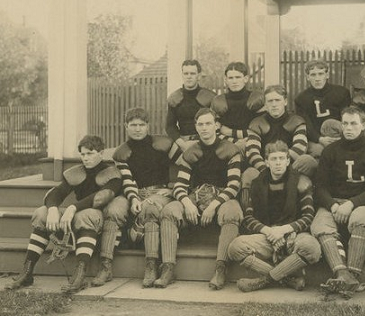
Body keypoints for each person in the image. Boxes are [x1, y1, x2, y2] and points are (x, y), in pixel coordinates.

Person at [5, 135, 122, 293]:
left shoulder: (112, 173)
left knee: (86, 215)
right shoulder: (77, 172)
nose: (85, 158)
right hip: (75, 216)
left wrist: (72, 208)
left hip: (96, 221)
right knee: (42, 213)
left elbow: (102, 198)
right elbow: (55, 193)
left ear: (101, 153)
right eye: (82, 154)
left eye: (90, 153)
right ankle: (27, 272)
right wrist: (53, 209)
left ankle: (79, 275)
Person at [92, 108, 178, 289]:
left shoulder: (163, 144)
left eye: (141, 125)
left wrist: (173, 188)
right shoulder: (122, 152)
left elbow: (185, 166)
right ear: (126, 127)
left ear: (148, 126)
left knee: (150, 208)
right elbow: (128, 179)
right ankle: (105, 265)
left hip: (160, 192)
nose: (137, 129)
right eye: (133, 125)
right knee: (114, 209)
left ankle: (151, 265)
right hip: (135, 192)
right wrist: (133, 198)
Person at [310, 106, 365, 295]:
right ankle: (343, 274)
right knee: (320, 225)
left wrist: (351, 204)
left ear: (363, 125)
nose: (349, 128)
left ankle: (353, 273)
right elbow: (320, 187)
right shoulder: (330, 150)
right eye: (345, 123)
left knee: (361, 218)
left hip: (364, 203)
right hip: (335, 202)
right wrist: (333, 205)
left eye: (354, 123)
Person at [228, 140, 321, 292]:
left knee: (312, 248)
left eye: (281, 158)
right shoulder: (257, 183)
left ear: (288, 160)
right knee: (235, 248)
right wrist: (270, 231)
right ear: (266, 161)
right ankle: (287, 279)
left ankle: (265, 280)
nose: (278, 163)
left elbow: (308, 216)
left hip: (294, 235)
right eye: (273, 159)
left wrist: (284, 230)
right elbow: (249, 218)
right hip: (268, 236)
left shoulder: (301, 182)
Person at [170, 107, 243, 290]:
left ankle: (221, 268)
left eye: (208, 123)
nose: (204, 128)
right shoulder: (191, 152)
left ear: (216, 126)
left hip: (224, 197)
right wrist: (187, 203)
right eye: (200, 124)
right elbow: (179, 185)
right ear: (195, 127)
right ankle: (167, 267)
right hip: (197, 195)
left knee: (232, 212)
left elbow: (234, 185)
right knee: (169, 211)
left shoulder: (230, 149)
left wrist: (213, 206)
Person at [242, 85, 317, 208]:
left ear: (285, 101)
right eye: (270, 101)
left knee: (307, 161)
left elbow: (300, 147)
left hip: (290, 166)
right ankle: (249, 214)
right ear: (265, 104)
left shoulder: (296, 120)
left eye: (278, 100)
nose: (274, 104)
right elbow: (252, 152)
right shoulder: (257, 123)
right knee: (248, 174)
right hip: (265, 168)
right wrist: (267, 169)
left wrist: (282, 167)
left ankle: (305, 210)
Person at [294, 60, 351, 157]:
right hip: (317, 139)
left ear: (327, 75)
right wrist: (319, 139)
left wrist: (342, 137)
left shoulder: (341, 92)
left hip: (340, 135)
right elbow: (306, 124)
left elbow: (347, 117)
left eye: (320, 74)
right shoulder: (301, 99)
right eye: (313, 75)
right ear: (308, 77)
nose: (317, 78)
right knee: (318, 153)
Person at [165, 59, 216, 161]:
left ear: (198, 75)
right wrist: (182, 144)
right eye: (186, 73)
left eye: (192, 73)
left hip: (205, 140)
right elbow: (170, 126)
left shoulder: (209, 96)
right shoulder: (174, 98)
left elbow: (217, 123)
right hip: (182, 141)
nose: (189, 76)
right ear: (182, 75)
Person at [211, 62, 264, 153]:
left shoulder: (256, 98)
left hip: (252, 140)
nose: (234, 81)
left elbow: (263, 128)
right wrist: (234, 141)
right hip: (226, 142)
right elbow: (214, 128)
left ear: (246, 78)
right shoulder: (218, 101)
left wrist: (231, 132)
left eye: (238, 77)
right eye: (231, 78)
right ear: (225, 79)